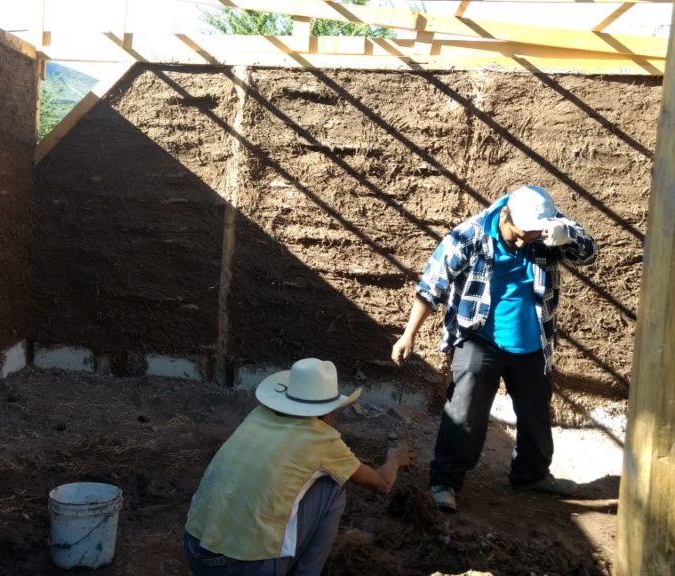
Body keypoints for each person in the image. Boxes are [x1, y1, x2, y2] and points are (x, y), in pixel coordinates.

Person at [391, 185, 596, 513]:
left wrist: (567, 234)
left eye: (530, 237)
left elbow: (589, 254)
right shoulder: (469, 236)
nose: (521, 242)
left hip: (531, 343)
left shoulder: (547, 229)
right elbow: (432, 286)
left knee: (535, 413)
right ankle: (445, 481)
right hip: (479, 337)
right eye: (517, 234)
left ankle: (531, 475)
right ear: (505, 215)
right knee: (465, 411)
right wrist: (408, 335)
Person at [183, 357, 413, 576]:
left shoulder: (258, 415)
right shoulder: (321, 438)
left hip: (195, 551)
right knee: (333, 486)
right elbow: (382, 484)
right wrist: (395, 458)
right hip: (244, 568)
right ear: (328, 411)